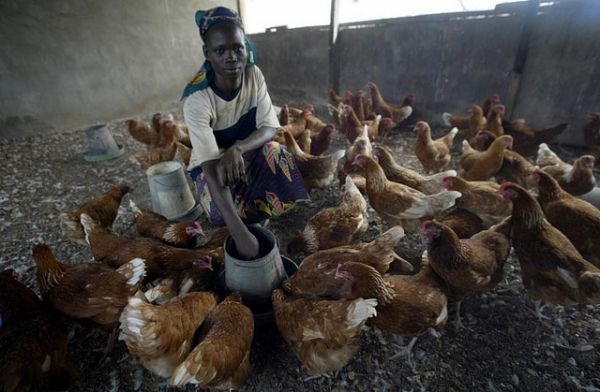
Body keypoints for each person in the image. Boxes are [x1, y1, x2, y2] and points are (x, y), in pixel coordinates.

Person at [182, 6, 308, 260]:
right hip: (211, 165)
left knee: (277, 155)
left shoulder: (253, 74)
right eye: (220, 50)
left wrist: (238, 147)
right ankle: (243, 225)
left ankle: (258, 219)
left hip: (242, 154)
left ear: (245, 46)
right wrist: (240, 236)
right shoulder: (197, 99)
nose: (231, 57)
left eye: (237, 48)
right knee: (220, 206)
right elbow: (211, 168)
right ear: (207, 53)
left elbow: (270, 127)